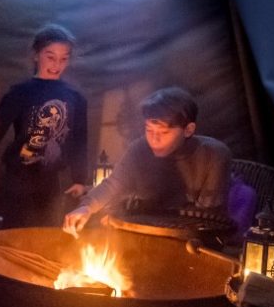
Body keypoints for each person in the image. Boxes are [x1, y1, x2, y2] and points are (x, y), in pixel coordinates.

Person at [63, 86, 231, 236]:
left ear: (188, 130)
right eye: (149, 129)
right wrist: (87, 207)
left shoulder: (213, 155)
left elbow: (207, 218)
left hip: (194, 239)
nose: (154, 140)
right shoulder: (139, 149)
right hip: (145, 232)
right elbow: (113, 184)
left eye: (164, 132)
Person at [0, 24, 89, 229]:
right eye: (50, 56)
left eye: (64, 58)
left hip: (53, 182)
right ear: (36, 55)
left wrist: (80, 178)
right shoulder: (20, 93)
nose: (57, 64)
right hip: (18, 179)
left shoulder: (74, 97)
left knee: (46, 234)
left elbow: (80, 140)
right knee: (17, 233)